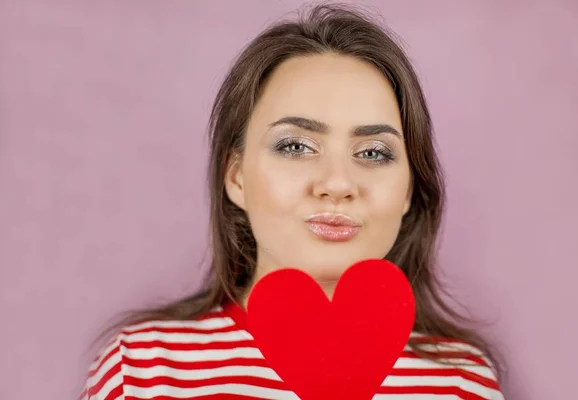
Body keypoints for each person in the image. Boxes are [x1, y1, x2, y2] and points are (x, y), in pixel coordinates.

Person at [80, 4, 505, 399]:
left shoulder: (462, 381)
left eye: (374, 152)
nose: (338, 184)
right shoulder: (141, 371)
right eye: (296, 146)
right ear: (236, 177)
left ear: (409, 190)